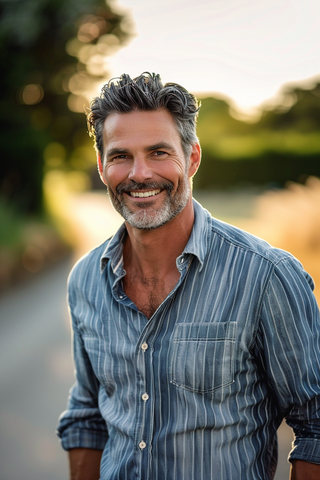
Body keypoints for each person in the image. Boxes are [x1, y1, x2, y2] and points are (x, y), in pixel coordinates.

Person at [57, 73, 320, 480]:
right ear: (101, 165)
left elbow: (315, 424)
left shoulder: (267, 276)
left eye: (159, 152)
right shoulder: (85, 280)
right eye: (121, 155)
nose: (139, 174)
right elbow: (87, 415)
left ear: (192, 157)